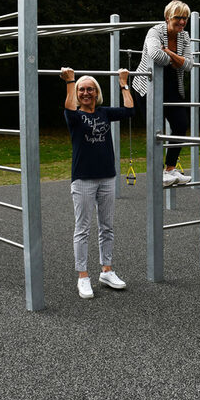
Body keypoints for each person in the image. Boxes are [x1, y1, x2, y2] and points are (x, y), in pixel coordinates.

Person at [61, 66, 135, 299]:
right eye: (82, 89)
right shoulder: (74, 115)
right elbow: (70, 108)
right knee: (82, 229)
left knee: (107, 226)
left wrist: (124, 83)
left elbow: (129, 111)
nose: (85, 93)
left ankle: (107, 270)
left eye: (90, 89)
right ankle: (83, 276)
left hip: (107, 177)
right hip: (83, 179)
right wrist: (70, 81)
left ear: (97, 92)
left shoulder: (103, 113)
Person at [132, 0, 193, 187]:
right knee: (155, 129)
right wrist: (176, 60)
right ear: (168, 17)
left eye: (185, 18)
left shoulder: (184, 36)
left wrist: (169, 52)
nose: (182, 22)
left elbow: (189, 65)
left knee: (181, 125)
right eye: (178, 18)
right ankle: (158, 172)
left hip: (172, 86)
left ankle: (170, 168)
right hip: (147, 86)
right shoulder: (155, 32)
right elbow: (154, 55)